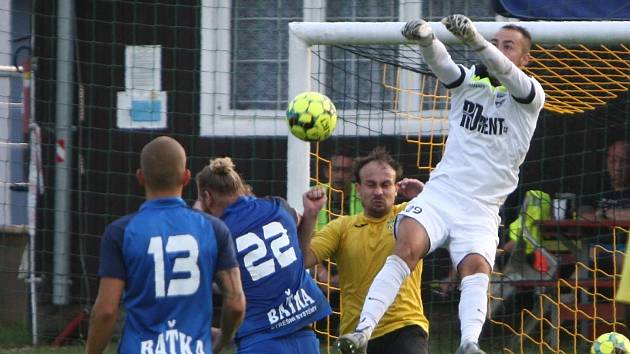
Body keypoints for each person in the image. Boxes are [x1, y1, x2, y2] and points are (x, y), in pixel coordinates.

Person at [337, 15, 545, 354]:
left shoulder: (531, 96)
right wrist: (426, 40)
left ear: (525, 59)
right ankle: (362, 332)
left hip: (481, 208)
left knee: (475, 269)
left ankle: (468, 344)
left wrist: (477, 40)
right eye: (496, 43)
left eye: (508, 46)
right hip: (441, 196)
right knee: (407, 246)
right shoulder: (471, 83)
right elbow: (444, 65)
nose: (498, 50)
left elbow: (507, 74)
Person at [86, 136, 245, 354]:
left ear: (140, 177)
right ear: (186, 177)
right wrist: (222, 339)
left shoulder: (121, 232)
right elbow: (236, 302)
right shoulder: (214, 229)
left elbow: (105, 311)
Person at [195, 157, 331, 354]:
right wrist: (310, 214)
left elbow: (220, 288)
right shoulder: (279, 207)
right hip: (304, 335)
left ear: (207, 198)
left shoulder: (214, 232)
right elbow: (297, 256)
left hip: (260, 340)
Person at [301, 147, 429, 354]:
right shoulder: (341, 227)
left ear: (396, 188)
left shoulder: (409, 216)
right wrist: (310, 216)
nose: (378, 191)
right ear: (358, 189)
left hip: (404, 327)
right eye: (371, 184)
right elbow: (302, 259)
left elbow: (449, 221)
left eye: (385, 184)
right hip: (355, 333)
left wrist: (425, 197)